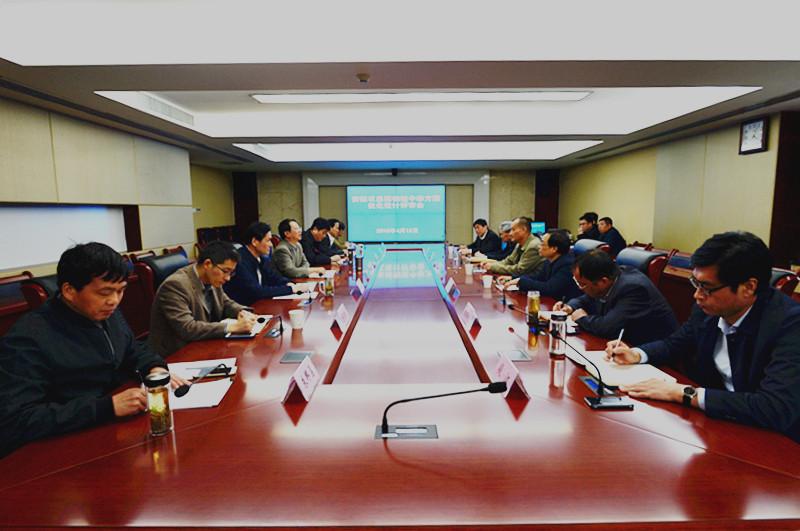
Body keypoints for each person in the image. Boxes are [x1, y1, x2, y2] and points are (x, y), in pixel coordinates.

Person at [606, 232, 800, 442]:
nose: (697, 295)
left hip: (775, 441)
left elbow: (774, 407)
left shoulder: (790, 324)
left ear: (748, 287)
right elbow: (675, 344)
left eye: (706, 287)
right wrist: (636, 354)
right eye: (696, 283)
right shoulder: (708, 310)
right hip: (720, 426)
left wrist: (684, 393)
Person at [0, 242, 186, 457]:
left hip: (114, 433)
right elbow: (16, 420)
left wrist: (153, 367)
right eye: (105, 292)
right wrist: (106, 407)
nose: (114, 301)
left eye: (121, 291)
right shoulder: (29, 338)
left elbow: (131, 348)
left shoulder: (104, 312)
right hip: (62, 451)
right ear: (69, 291)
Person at [149, 240, 256, 357]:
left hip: (203, 345)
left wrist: (242, 312)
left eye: (231, 273)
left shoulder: (211, 277)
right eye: (225, 271)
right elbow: (188, 328)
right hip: (178, 354)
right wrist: (232, 327)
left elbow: (225, 303)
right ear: (207, 264)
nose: (228, 278)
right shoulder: (175, 285)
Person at [553, 249, 678, 345]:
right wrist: (570, 307)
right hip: (622, 345)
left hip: (653, 354)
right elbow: (587, 298)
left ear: (603, 281)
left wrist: (582, 318)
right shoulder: (611, 277)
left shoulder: (634, 288)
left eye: (582, 284)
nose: (580, 288)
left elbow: (607, 327)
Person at [223, 222, 312, 305]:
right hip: (244, 307)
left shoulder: (262, 258)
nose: (271, 245)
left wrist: (289, 283)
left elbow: (275, 277)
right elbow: (256, 291)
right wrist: (290, 289)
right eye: (268, 240)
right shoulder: (240, 260)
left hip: (259, 303)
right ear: (255, 242)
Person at [499, 230, 582, 300]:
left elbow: (549, 288)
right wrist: (513, 278)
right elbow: (538, 277)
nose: (539, 246)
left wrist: (521, 282)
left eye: (542, 244)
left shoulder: (567, 265)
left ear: (554, 249)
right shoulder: (549, 260)